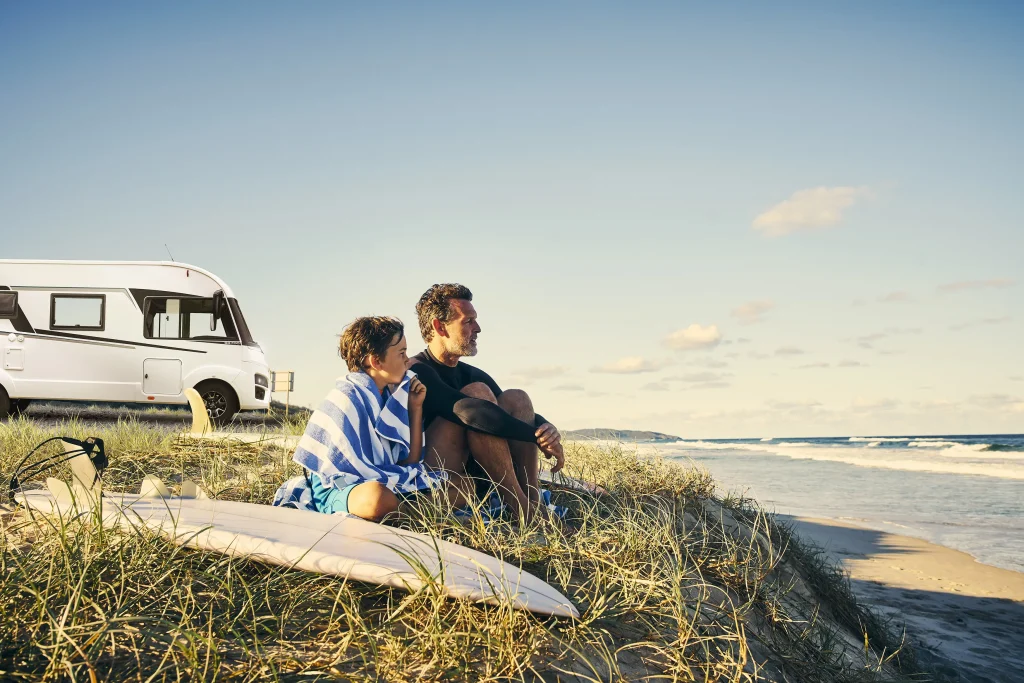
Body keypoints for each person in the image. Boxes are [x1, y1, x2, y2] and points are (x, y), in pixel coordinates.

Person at [273, 316, 465, 522]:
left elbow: (410, 462)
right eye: (401, 353)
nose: (408, 360)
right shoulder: (344, 398)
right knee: (376, 498)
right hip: (342, 490)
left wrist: (415, 408)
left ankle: (407, 513)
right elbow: (338, 476)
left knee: (463, 486)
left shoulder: (391, 397)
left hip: (388, 482)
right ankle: (415, 513)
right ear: (375, 361)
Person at [409, 284, 564, 524]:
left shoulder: (472, 373)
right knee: (478, 396)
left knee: (517, 397)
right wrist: (535, 435)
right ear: (439, 327)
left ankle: (533, 500)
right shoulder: (416, 369)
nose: (478, 329)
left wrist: (547, 430)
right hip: (436, 477)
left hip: (474, 471)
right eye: (468, 321)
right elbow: (472, 413)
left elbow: (512, 416)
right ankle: (522, 509)